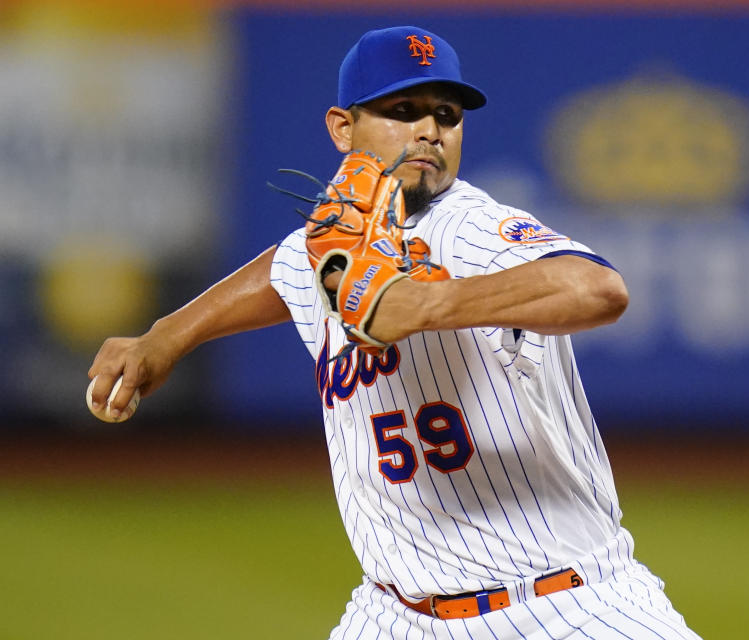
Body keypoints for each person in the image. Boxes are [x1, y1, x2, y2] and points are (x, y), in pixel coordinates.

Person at [89, 25, 702, 640]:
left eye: (447, 115)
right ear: (342, 128)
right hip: (392, 614)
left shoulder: (469, 226)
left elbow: (599, 289)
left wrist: (430, 304)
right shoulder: (345, 234)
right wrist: (167, 335)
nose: (430, 131)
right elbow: (287, 269)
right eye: (402, 110)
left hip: (561, 606)